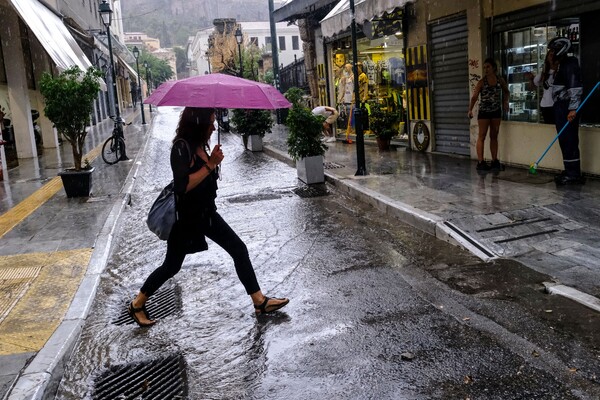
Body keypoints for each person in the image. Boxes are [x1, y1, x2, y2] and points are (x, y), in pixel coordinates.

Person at [128, 107, 289, 327]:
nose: (214, 126)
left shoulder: (201, 145)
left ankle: (259, 301)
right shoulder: (181, 148)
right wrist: (210, 164)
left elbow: (206, 179)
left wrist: (214, 162)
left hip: (207, 214)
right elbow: (183, 187)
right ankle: (137, 304)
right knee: (172, 266)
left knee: (238, 249)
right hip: (186, 219)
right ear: (197, 123)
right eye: (210, 122)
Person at [547, 37, 584, 185]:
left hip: (566, 107)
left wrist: (573, 108)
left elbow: (575, 88)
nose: (550, 53)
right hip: (561, 107)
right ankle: (569, 169)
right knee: (565, 139)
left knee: (569, 140)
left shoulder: (570, 64)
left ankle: (573, 173)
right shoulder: (562, 65)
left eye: (553, 50)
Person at [468, 58, 510, 171]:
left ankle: (494, 161)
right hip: (484, 113)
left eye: (488, 67)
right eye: (484, 67)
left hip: (496, 112)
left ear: (494, 68)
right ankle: (481, 162)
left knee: (494, 136)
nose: (486, 69)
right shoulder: (482, 82)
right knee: (482, 136)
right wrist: (470, 110)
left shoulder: (500, 80)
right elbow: (474, 97)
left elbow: (506, 92)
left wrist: (505, 102)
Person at [525, 49, 558, 124]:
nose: (552, 57)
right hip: (546, 106)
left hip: (558, 106)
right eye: (550, 55)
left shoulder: (562, 71)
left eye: (554, 55)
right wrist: (530, 79)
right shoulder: (543, 73)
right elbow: (533, 87)